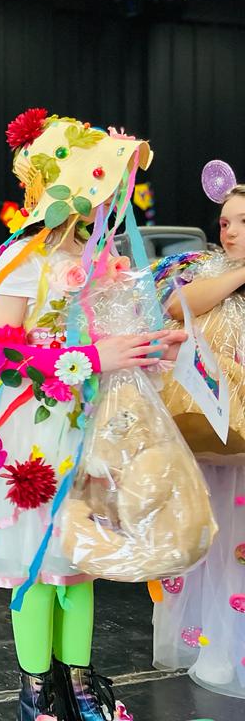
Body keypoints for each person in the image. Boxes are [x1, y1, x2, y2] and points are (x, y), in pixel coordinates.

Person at [0, 109, 185, 721]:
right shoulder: (24, 257)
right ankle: (36, 689)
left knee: (81, 559)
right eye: (100, 181)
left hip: (88, 424)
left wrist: (148, 348)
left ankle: (78, 681)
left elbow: (106, 337)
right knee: (36, 563)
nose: (110, 199)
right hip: (32, 428)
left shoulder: (98, 255)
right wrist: (92, 357)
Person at [152, 175, 245, 698]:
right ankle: (216, 647)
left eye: (243, 222)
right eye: (225, 221)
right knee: (215, 537)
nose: (229, 231)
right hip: (214, 430)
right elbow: (175, 306)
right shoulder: (211, 270)